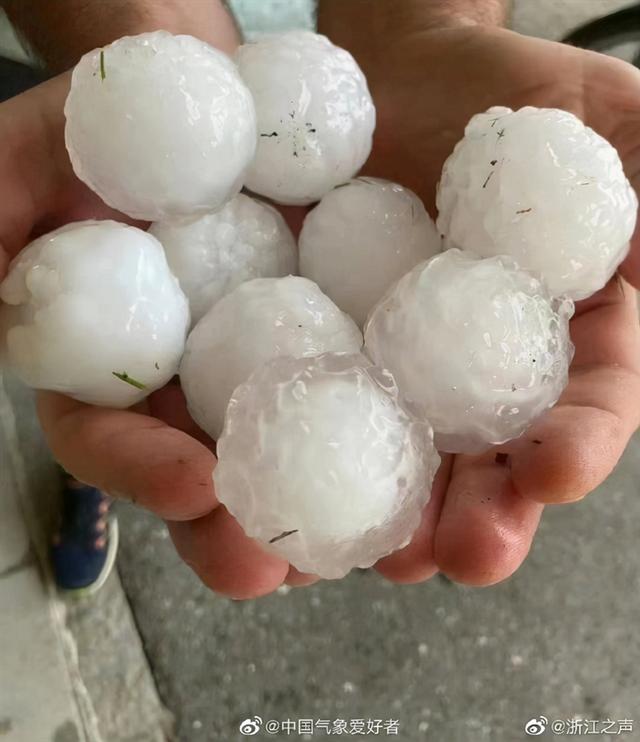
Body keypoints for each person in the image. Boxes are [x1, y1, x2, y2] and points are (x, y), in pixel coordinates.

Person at [1, 0, 639, 598]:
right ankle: (88, 472)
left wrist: (421, 27)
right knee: (144, 440)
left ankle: (93, 466)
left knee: (161, 458)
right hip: (89, 58)